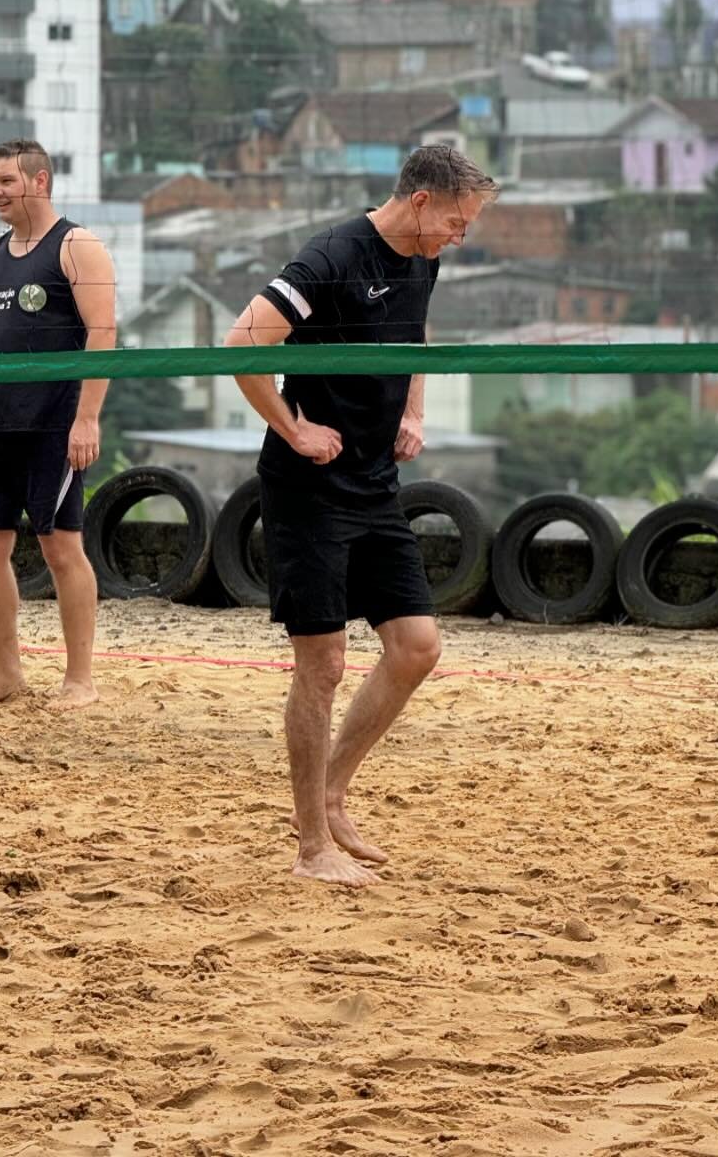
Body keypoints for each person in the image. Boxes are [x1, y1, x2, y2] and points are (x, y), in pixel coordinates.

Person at [224, 146, 499, 886]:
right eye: (455, 221)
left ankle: (334, 792)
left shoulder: (423, 257)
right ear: (418, 202)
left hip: (374, 484)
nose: (459, 236)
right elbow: (242, 341)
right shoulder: (334, 257)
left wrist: (414, 408)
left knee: (416, 647)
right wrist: (292, 427)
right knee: (324, 665)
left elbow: (415, 337)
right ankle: (311, 847)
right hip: (308, 485)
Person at [0, 139, 117, 709]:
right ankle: (8, 673)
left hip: (54, 425)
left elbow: (104, 336)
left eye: (6, 182)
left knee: (60, 546)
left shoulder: (77, 246)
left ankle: (80, 680)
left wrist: (87, 419)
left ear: (39, 182)